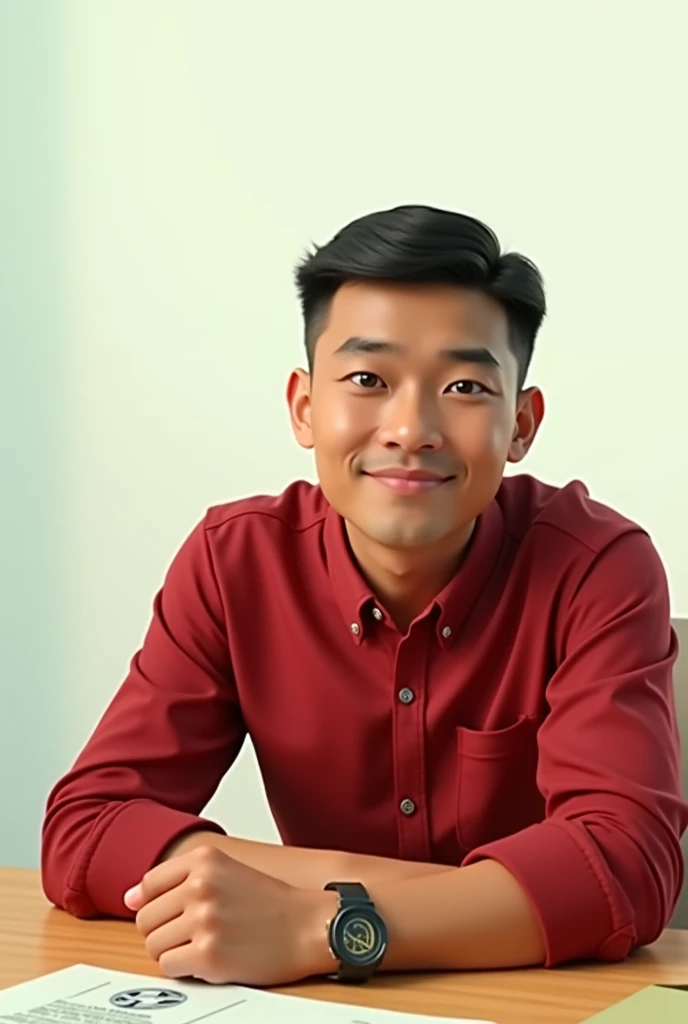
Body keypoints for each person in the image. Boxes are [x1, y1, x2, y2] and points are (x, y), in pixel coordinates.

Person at [42, 205, 686, 988]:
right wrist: (364, 887)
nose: (411, 428)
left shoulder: (598, 566)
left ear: (521, 423)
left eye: (463, 385)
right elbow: (87, 826)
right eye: (367, 380)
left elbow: (626, 867)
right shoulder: (233, 561)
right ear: (305, 407)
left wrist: (322, 923)